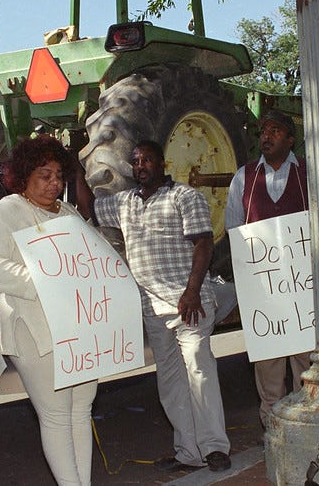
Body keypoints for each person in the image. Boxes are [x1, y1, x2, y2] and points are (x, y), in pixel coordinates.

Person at [90, 140, 232, 473]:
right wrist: (70, 164)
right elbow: (90, 209)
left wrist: (193, 290)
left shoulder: (185, 197)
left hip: (189, 304)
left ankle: (214, 448)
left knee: (200, 372)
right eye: (136, 161)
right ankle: (188, 452)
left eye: (147, 160)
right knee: (170, 383)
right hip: (152, 308)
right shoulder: (124, 203)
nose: (141, 165)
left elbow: (203, 243)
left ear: (162, 163)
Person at [0, 135, 97, 485]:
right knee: (57, 414)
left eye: (59, 175)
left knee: (80, 409)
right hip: (34, 328)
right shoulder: (5, 211)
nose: (54, 183)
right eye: (45, 174)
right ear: (24, 174)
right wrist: (42, 281)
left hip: (76, 326)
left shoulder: (69, 212)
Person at [224, 109, 311, 427]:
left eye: (275, 130)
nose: (266, 136)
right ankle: (273, 425)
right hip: (263, 290)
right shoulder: (244, 176)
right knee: (268, 360)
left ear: (290, 139)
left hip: (302, 288)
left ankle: (308, 421)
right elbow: (234, 228)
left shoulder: (308, 176)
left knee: (306, 360)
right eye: (263, 131)